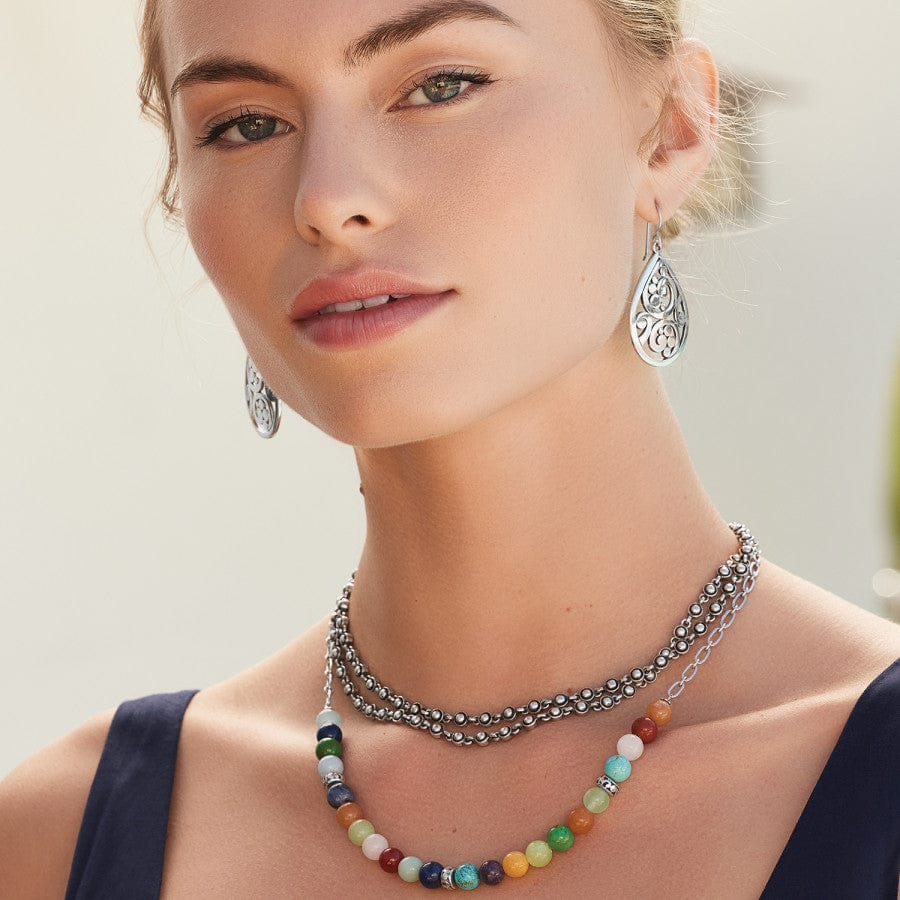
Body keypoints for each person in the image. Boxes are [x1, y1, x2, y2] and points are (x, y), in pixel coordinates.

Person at [1, 1, 898, 897]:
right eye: (247, 125)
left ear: (671, 130)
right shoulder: (59, 835)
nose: (327, 200)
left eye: (440, 86)